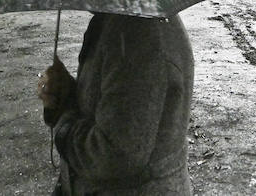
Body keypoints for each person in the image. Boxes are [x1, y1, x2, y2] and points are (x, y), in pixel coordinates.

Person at [37, 11, 194, 195]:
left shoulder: (137, 34)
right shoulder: (114, 21)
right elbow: (111, 106)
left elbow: (115, 155)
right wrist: (68, 94)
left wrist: (64, 121)